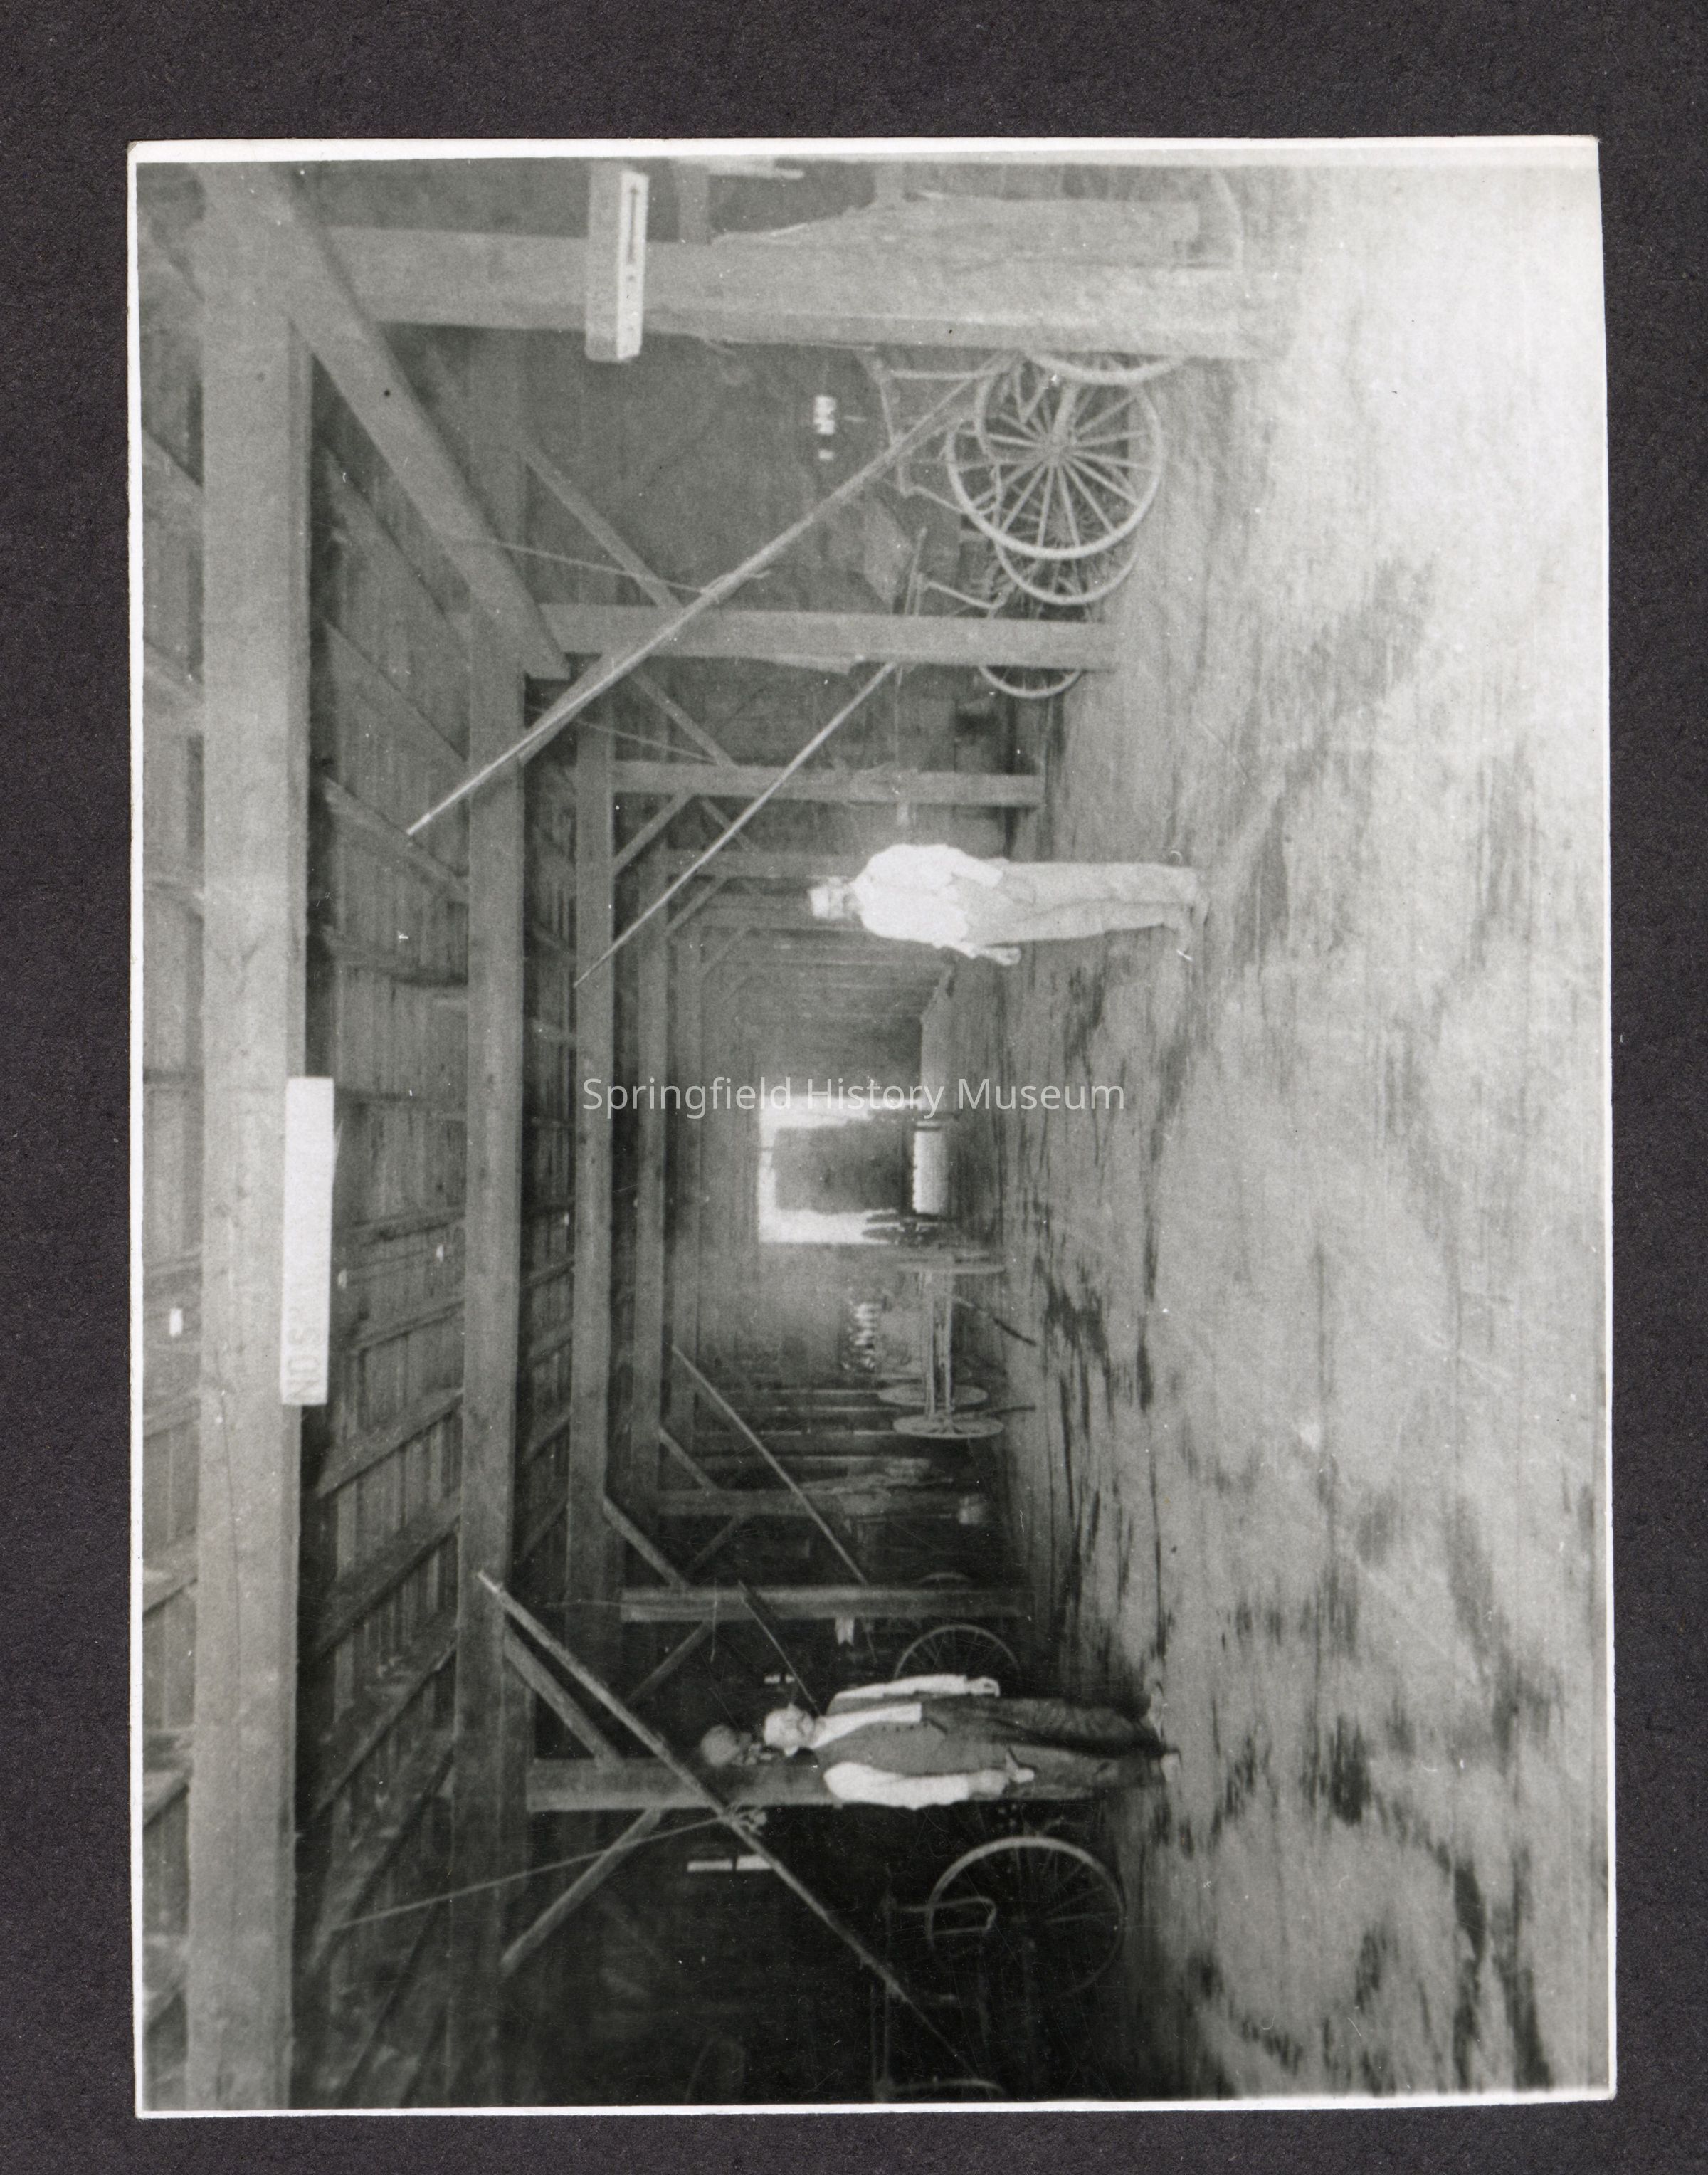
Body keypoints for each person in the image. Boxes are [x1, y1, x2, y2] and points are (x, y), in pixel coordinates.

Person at [700, 1670, 1177, 1808]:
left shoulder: (842, 1699)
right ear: (788, 1748)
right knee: (1059, 1762)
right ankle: (1151, 1771)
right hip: (962, 1757)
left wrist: (959, 1684)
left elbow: (904, 1687)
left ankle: (1141, 1727)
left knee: (1055, 1717)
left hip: (958, 1712)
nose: (792, 1720)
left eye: (785, 1713)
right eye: (785, 1731)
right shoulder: (840, 1777)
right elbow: (911, 1793)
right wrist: (972, 1783)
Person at [808, 842, 1204, 966]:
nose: (840, 905)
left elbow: (945, 857)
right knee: (1086, 919)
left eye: (833, 896)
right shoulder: (874, 923)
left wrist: (1001, 880)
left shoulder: (881, 866)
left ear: (835, 880)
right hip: (985, 928)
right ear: (835, 920)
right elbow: (931, 935)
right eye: (832, 911)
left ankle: (1187, 887)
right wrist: (981, 950)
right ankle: (1169, 915)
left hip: (983, 890)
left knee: (1091, 882)